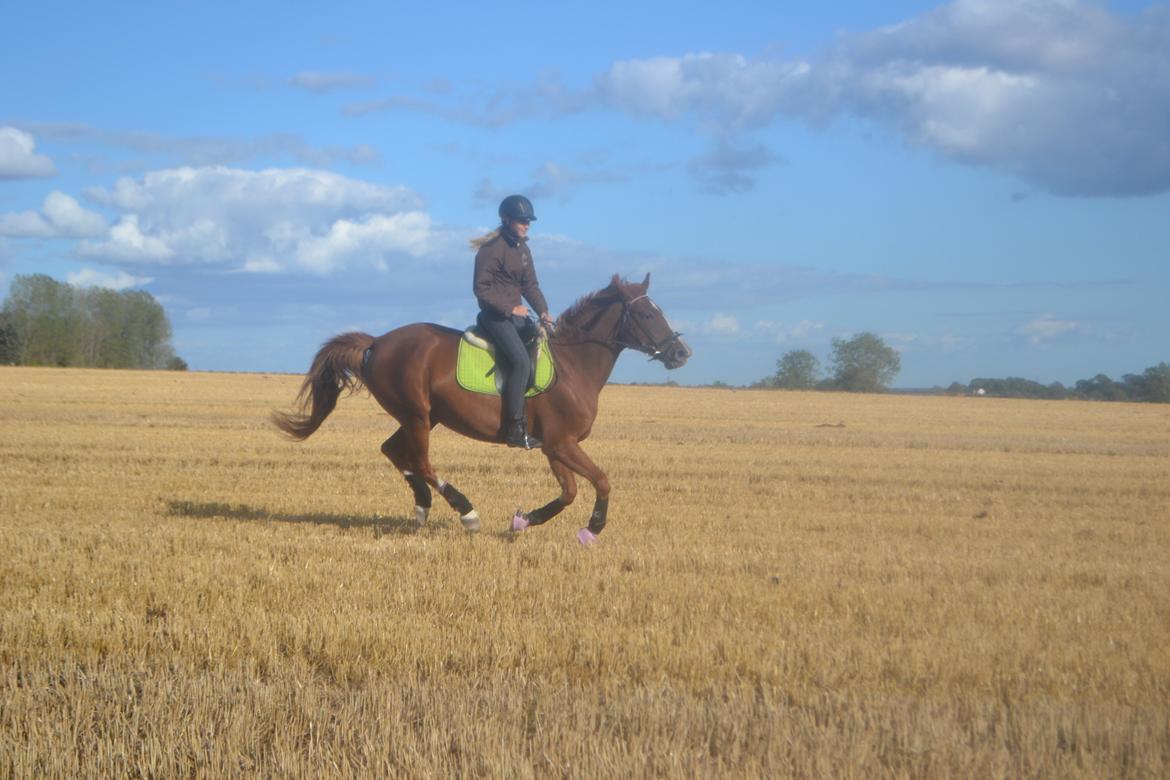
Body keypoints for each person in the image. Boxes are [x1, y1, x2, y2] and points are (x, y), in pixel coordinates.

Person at [471, 195, 555, 449]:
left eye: (529, 221)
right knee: (520, 362)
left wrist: (543, 311)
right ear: (506, 219)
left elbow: (531, 286)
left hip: (517, 318)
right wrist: (510, 308)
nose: (527, 225)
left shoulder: (523, 250)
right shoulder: (492, 249)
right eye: (522, 220)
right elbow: (481, 289)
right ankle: (515, 428)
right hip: (495, 317)